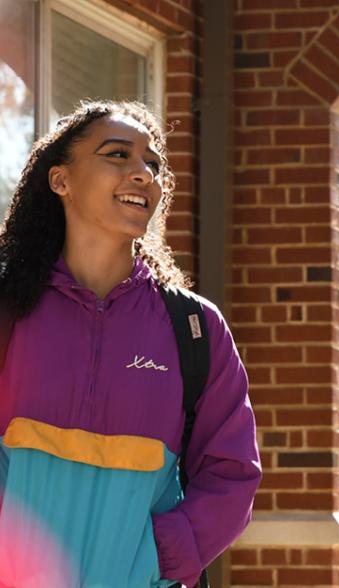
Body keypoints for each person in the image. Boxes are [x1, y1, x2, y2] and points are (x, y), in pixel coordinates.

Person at [0, 100, 262, 587]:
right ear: (60, 181)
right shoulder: (7, 309)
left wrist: (155, 558)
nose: (144, 173)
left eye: (153, 163)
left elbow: (232, 473)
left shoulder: (194, 327)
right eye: (118, 154)